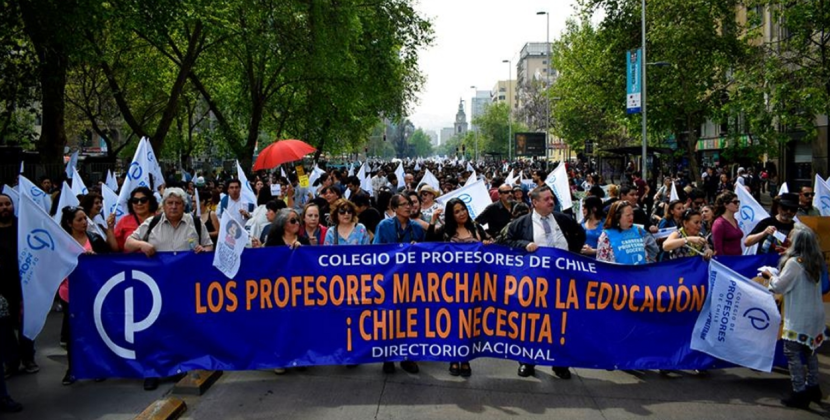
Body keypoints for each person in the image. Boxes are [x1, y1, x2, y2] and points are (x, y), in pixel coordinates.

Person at [125, 188, 213, 390]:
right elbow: (128, 243)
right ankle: (152, 370)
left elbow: (209, 247)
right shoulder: (152, 223)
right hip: (155, 287)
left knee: (179, 326)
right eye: (170, 203)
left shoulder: (196, 224)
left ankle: (176, 367)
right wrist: (142, 245)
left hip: (184, 286)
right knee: (154, 329)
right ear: (163, 205)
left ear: (184, 205)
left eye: (178, 203)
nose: (173, 207)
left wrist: (203, 250)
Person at [505, 186, 584, 380]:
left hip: (562, 282)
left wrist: (572, 255)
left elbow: (579, 235)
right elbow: (507, 241)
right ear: (535, 203)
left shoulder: (563, 219)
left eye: (552, 199)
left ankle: (559, 362)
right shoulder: (521, 223)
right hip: (534, 283)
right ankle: (527, 361)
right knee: (532, 322)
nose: (551, 202)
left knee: (560, 322)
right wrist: (524, 245)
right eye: (547, 199)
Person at [763, 225, 827, 409]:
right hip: (815, 314)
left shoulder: (794, 263)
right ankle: (813, 386)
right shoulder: (815, 260)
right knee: (811, 351)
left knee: (793, 354)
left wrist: (769, 276)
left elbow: (779, 287)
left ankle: (799, 392)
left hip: (799, 315)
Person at [426, 197, 491, 378]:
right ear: (450, 215)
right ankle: (454, 357)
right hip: (452, 287)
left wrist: (487, 243)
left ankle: (465, 358)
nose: (461, 213)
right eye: (456, 211)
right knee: (454, 322)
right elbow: (429, 244)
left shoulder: (476, 229)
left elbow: (491, 246)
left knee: (469, 323)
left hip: (475, 286)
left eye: (463, 209)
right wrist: (432, 222)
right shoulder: (445, 232)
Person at [372, 194, 424, 374]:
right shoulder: (384, 226)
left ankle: (408, 357)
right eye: (404, 204)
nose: (408, 207)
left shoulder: (417, 228)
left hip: (411, 283)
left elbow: (426, 255)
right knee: (389, 319)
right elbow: (377, 251)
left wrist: (418, 248)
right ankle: (388, 357)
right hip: (389, 282)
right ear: (394, 209)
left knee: (410, 320)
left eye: (409, 204)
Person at [58, 206, 109, 385]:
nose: (84, 223)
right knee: (73, 332)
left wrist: (94, 259)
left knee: (93, 330)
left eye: (85, 219)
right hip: (69, 294)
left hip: (91, 293)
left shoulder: (94, 239)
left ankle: (95, 367)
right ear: (69, 223)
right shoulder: (61, 243)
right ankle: (72, 369)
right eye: (79, 220)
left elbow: (108, 261)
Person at [0, 194, 39, 378]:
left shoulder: (22, 228)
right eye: (1, 205)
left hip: (23, 284)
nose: (5, 208)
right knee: (4, 326)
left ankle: (28, 358)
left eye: (7, 204)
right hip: (2, 288)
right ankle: (11, 361)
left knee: (26, 323)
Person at [596, 201, 649, 265]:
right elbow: (601, 263)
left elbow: (646, 256)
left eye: (632, 214)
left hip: (640, 273)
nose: (631, 217)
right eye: (628, 215)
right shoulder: (606, 236)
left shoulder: (639, 230)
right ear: (617, 217)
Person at [113, 186, 159, 251]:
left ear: (150, 201)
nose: (139, 203)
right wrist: (110, 228)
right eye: (135, 201)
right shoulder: (124, 221)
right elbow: (115, 248)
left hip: (157, 260)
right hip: (132, 260)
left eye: (143, 200)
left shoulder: (161, 219)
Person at [710, 191, 743, 256]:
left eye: (738, 202)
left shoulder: (735, 220)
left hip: (738, 259)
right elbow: (718, 249)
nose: (738, 204)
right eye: (735, 202)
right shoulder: (719, 223)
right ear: (725, 205)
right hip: (727, 261)